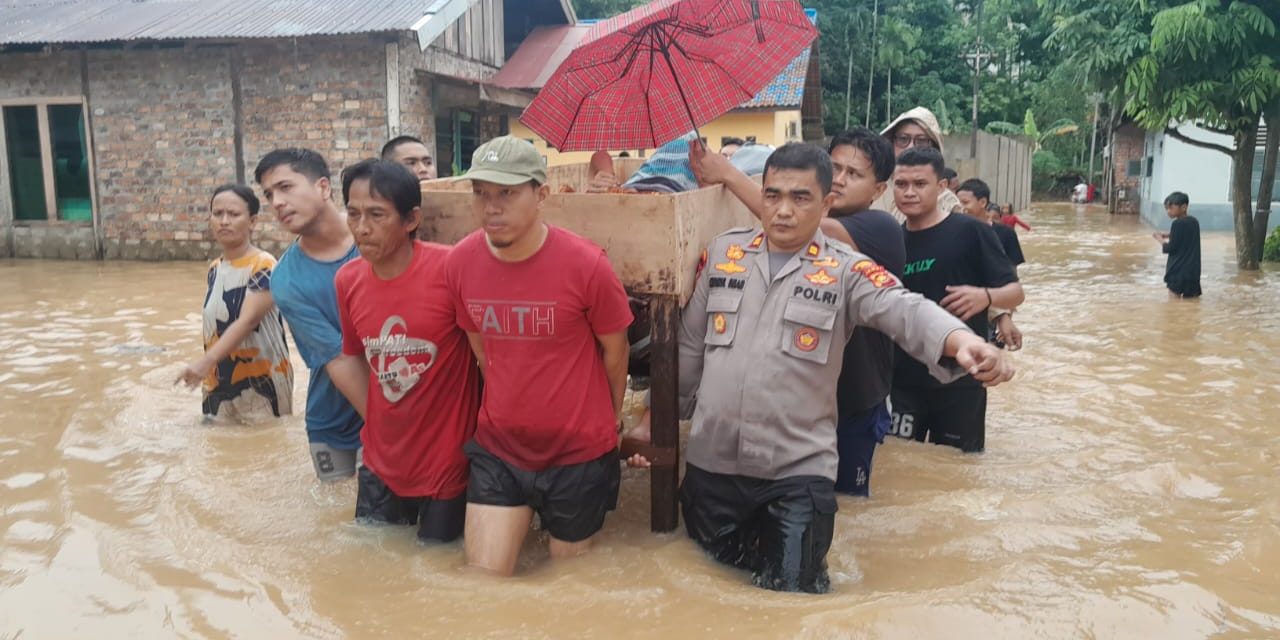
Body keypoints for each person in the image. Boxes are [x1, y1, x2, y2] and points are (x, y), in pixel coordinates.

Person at [637, 143, 1012, 594]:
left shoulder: (845, 270)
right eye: (772, 195)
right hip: (711, 471)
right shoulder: (723, 255)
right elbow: (690, 347)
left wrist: (964, 341)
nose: (782, 211)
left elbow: (905, 309)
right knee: (709, 592)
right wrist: (651, 423)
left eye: (800, 198)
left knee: (793, 601)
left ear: (826, 203)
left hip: (795, 477)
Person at [444, 136, 633, 575]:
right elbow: (483, 355)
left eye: (507, 193)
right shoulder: (459, 264)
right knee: (480, 582)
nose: (492, 207)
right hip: (500, 449)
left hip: (578, 454)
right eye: (481, 194)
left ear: (541, 194)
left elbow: (615, 353)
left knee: (569, 586)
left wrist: (608, 425)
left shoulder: (586, 265)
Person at [332, 159, 481, 542]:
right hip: (381, 464)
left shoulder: (452, 270)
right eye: (353, 213)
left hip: (447, 466)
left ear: (411, 219)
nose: (361, 228)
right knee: (373, 572)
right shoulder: (347, 281)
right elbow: (355, 358)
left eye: (377, 215)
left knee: (437, 571)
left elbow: (488, 357)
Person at [890, 147, 1024, 453]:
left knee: (959, 470)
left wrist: (986, 296)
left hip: (962, 377)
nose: (909, 192)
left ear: (940, 188)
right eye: (901, 184)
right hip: (901, 379)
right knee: (899, 462)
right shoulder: (891, 240)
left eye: (920, 184)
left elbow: (1016, 292)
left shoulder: (971, 232)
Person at [256, 148, 365, 481]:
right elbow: (340, 359)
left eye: (285, 187)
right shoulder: (287, 280)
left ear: (323, 187)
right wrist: (390, 428)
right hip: (334, 420)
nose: (276, 202)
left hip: (405, 401)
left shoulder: (377, 236)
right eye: (269, 195)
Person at [176, 184, 293, 421]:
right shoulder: (215, 269)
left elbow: (249, 320)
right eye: (218, 214)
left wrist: (205, 363)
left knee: (264, 448)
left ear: (252, 221)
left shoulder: (265, 265)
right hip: (217, 382)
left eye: (233, 214)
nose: (224, 221)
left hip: (262, 383)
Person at [956, 179, 1025, 351]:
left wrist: (1005, 314)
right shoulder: (954, 233)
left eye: (965, 203)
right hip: (963, 311)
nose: (960, 208)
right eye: (957, 203)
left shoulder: (1005, 234)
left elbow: (1010, 276)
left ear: (983, 203)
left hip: (989, 307)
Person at [872, 107, 963, 219]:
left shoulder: (947, 202)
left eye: (921, 141)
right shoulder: (873, 189)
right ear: (892, 144)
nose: (910, 147)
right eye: (903, 139)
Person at [1152, 191, 1201, 298]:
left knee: (1173, 306)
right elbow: (1185, 236)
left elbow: (1169, 248)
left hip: (1178, 272)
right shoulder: (1194, 221)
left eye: (1171, 208)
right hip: (1193, 272)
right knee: (1191, 305)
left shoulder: (1177, 223)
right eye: (1166, 208)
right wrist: (1169, 235)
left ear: (1183, 207)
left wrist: (1159, 238)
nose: (1168, 211)